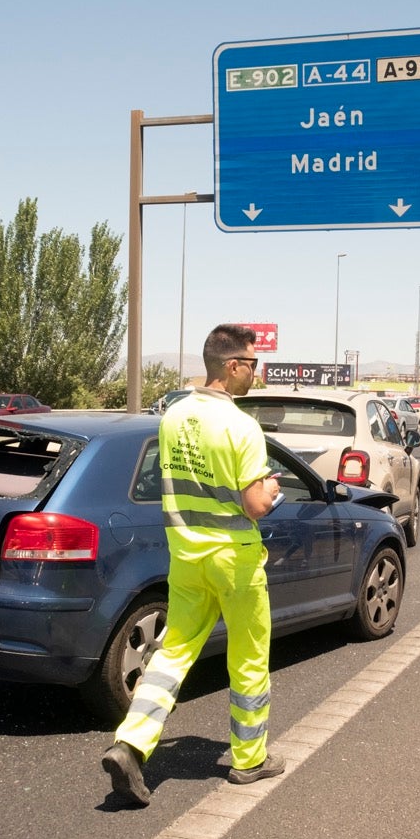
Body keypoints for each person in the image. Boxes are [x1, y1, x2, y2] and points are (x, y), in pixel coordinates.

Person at [101, 324, 285, 807]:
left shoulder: (174, 417)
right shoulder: (243, 426)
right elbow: (254, 505)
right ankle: (250, 760)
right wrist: (269, 490)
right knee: (247, 658)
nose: (256, 372)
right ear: (232, 366)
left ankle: (131, 743)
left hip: (185, 555)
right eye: (253, 363)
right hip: (235, 559)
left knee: (170, 655)